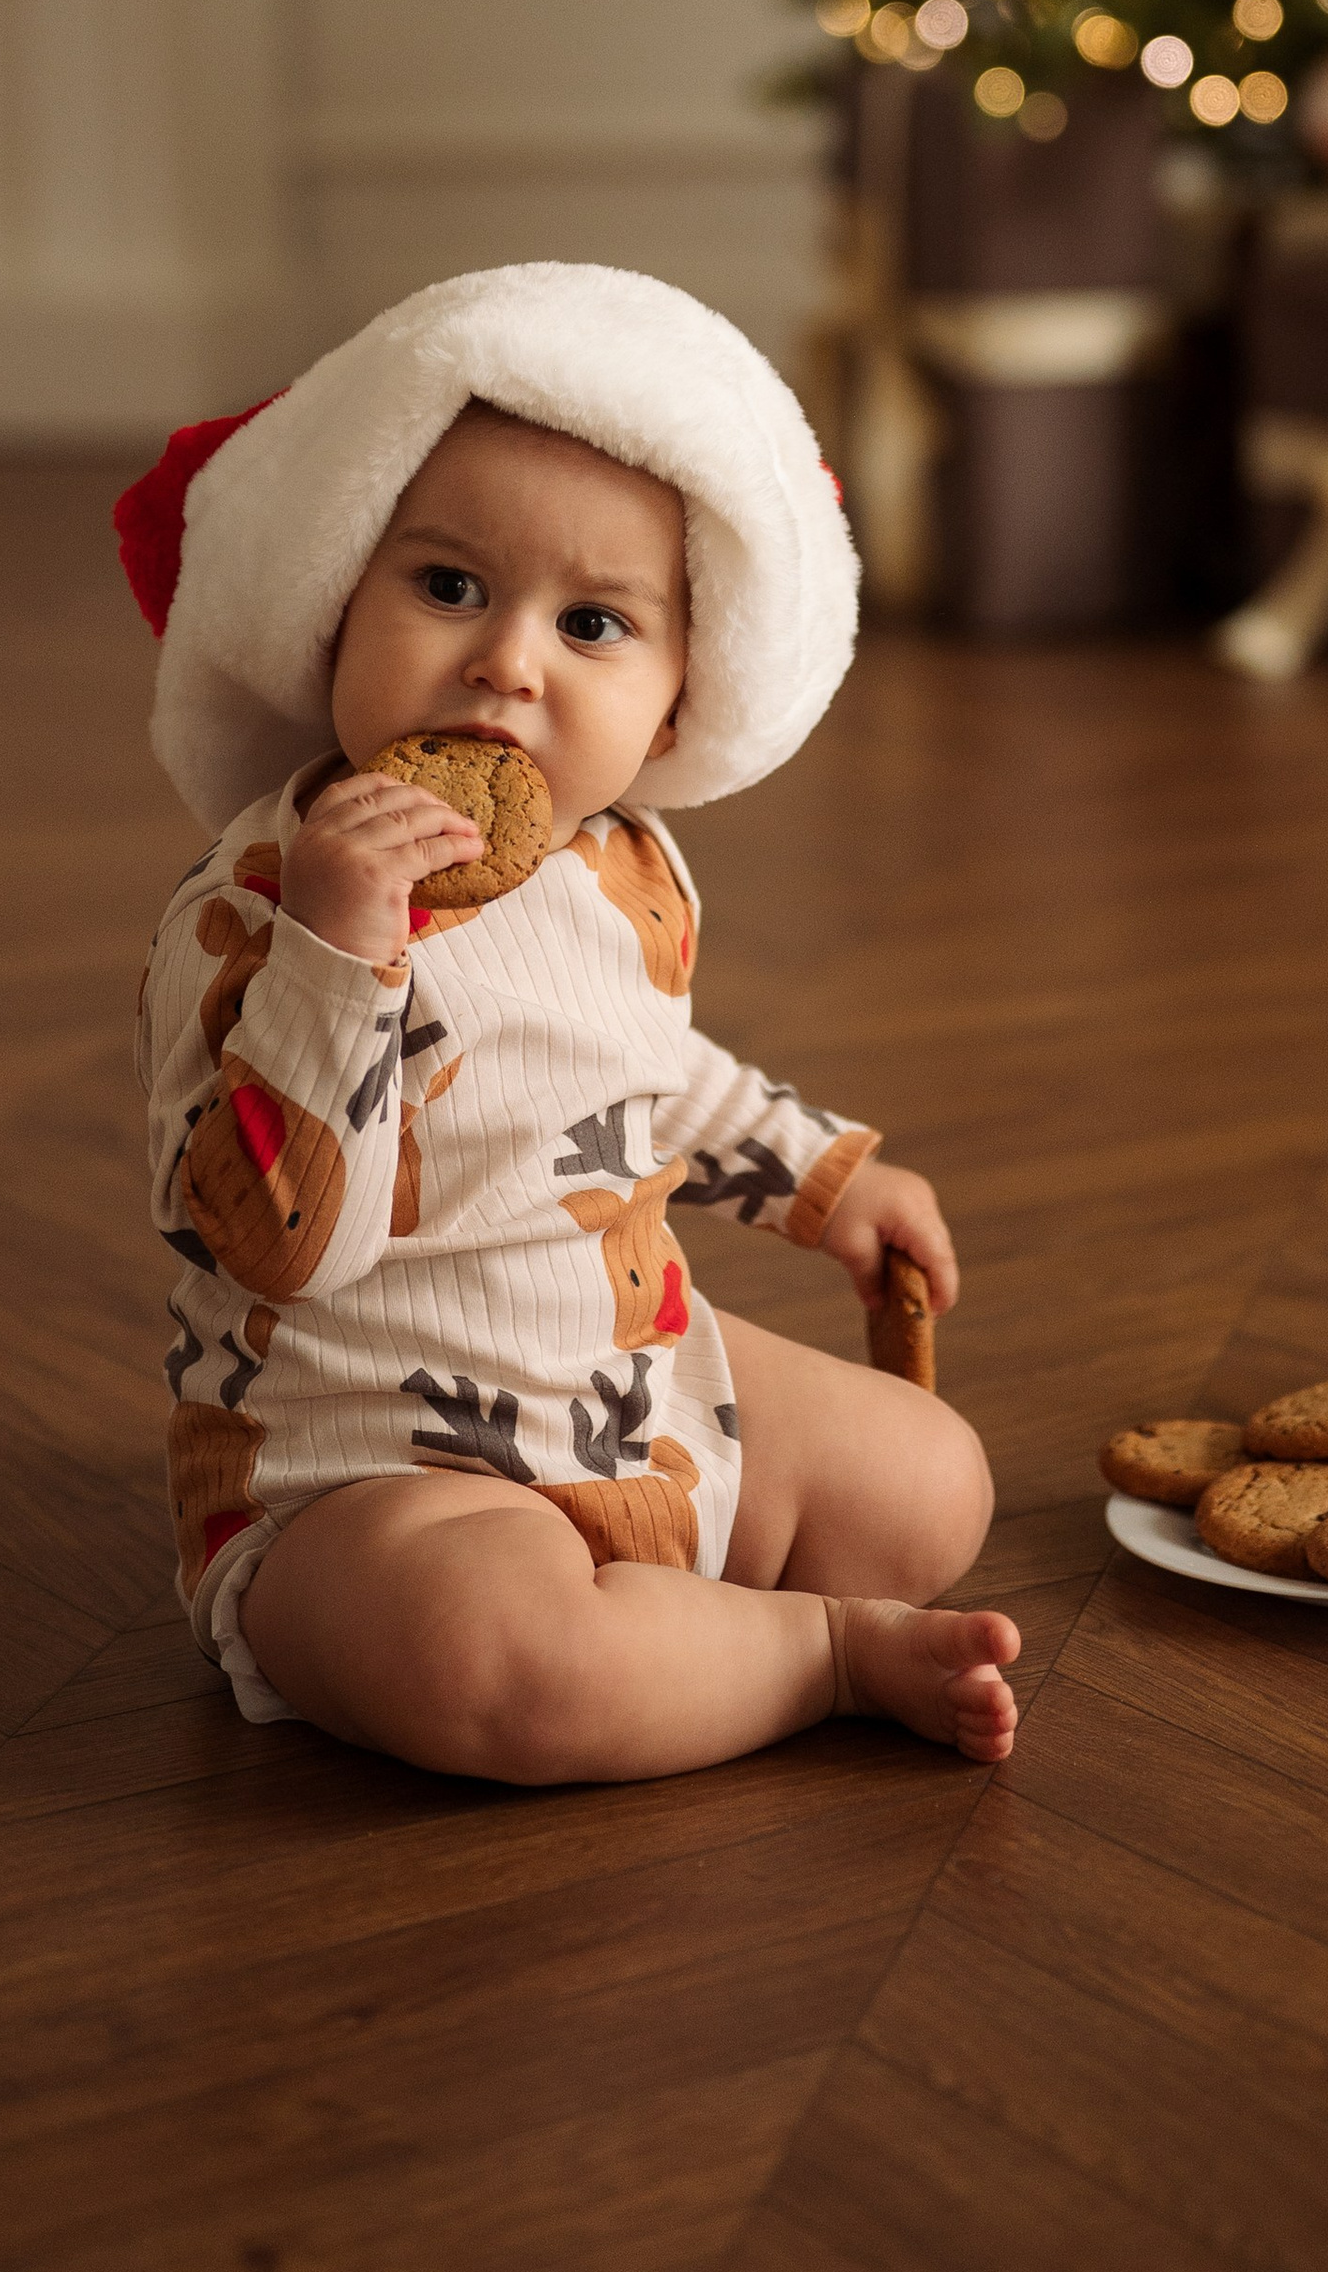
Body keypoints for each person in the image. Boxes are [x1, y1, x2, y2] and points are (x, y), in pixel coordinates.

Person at [116, 262, 1020, 1780]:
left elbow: (643, 1077)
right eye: (449, 587)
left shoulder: (624, 867)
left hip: (629, 1379)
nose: (508, 662)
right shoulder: (253, 907)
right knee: (489, 1662)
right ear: (338, 603)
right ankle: (816, 1654)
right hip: (370, 1476)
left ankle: (665, 1609)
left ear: (672, 711)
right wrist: (345, 953)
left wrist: (823, 1176)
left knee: (932, 1486)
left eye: (593, 623)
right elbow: (273, 1243)